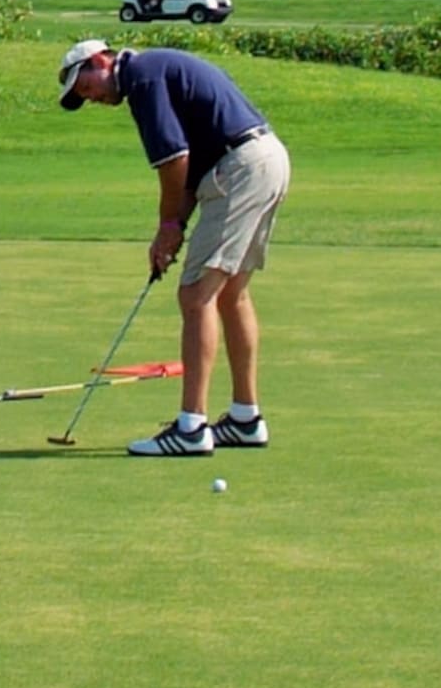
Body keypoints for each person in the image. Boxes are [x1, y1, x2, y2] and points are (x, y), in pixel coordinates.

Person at [56, 38, 289, 458]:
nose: (92, 98)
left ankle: (191, 427)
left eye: (87, 87)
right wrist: (176, 225)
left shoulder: (143, 78)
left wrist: (166, 227)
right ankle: (245, 418)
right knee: (230, 294)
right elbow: (190, 168)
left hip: (240, 168)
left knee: (196, 295)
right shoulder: (156, 70)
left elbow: (174, 160)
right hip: (265, 160)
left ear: (101, 60)